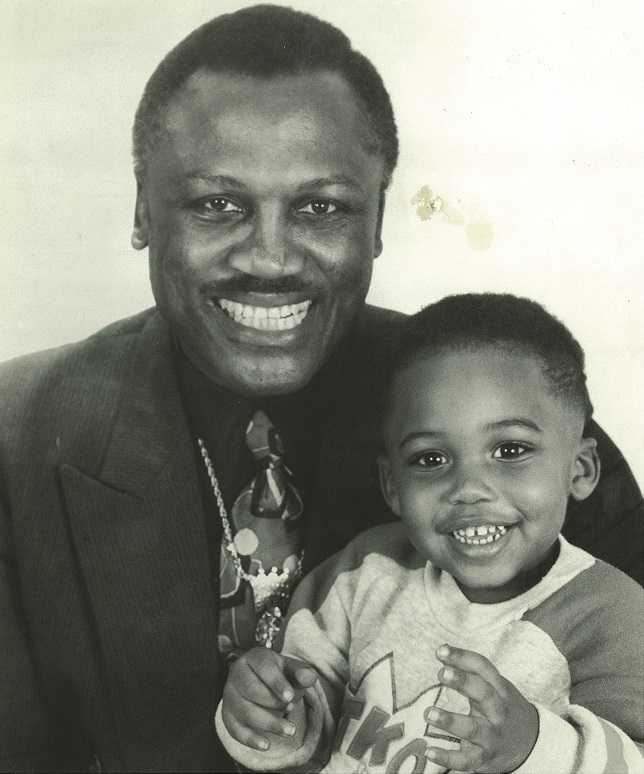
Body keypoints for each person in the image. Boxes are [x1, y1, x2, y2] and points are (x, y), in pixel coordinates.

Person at [0, 5, 641, 772]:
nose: (270, 258)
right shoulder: (19, 439)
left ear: (375, 222)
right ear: (142, 209)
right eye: (217, 204)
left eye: (321, 207)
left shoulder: (507, 403)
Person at [217, 293, 644, 774]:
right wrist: (266, 713)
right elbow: (300, 738)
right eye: (430, 459)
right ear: (391, 486)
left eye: (510, 450)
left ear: (581, 469)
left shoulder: (613, 616)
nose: (468, 489)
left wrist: (534, 746)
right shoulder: (364, 571)